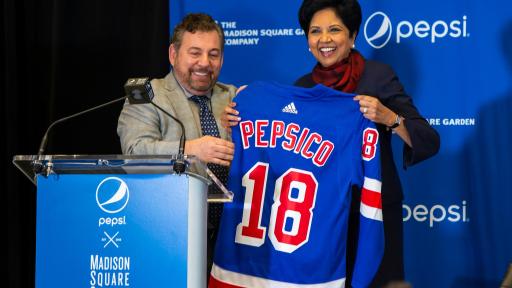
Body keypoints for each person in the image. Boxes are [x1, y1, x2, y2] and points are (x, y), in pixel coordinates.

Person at [222, 0, 440, 286]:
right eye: (315, 32)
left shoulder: (377, 76)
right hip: (321, 217)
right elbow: (280, 154)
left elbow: (429, 140)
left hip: (372, 212)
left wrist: (389, 117)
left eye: (334, 30)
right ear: (308, 41)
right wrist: (238, 120)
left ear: (352, 36)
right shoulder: (301, 89)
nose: (324, 39)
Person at [117, 13, 237, 277]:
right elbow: (135, 152)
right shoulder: (148, 96)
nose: (205, 63)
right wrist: (192, 149)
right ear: (173, 54)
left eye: (214, 54)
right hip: (170, 236)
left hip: (230, 242)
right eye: (195, 53)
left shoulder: (233, 96)